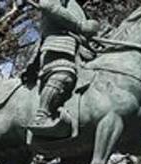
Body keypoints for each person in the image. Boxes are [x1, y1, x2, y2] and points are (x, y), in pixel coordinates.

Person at [27, 0, 100, 136]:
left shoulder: (77, 6)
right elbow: (47, 5)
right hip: (58, 45)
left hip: (80, 51)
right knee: (63, 74)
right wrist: (79, 25)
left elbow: (85, 32)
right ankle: (41, 116)